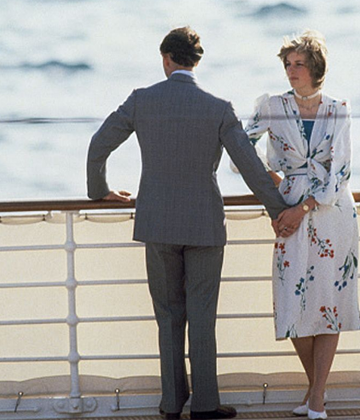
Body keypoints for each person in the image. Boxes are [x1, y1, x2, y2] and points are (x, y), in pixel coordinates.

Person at [86, 27, 291, 420]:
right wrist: (278, 210)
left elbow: (98, 145)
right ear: (196, 62)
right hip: (204, 227)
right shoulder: (218, 107)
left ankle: (170, 403)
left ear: (166, 59)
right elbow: (250, 167)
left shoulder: (141, 100)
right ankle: (205, 404)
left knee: (168, 316)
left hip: (158, 224)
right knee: (202, 316)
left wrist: (100, 191)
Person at [244, 30, 360, 420]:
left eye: (299, 64)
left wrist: (307, 203)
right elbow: (241, 151)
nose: (291, 71)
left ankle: (316, 398)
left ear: (316, 68)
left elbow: (341, 170)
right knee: (292, 301)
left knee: (329, 301)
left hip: (332, 215)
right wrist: (277, 187)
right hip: (289, 210)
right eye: (288, 64)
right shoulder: (271, 105)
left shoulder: (338, 108)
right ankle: (317, 392)